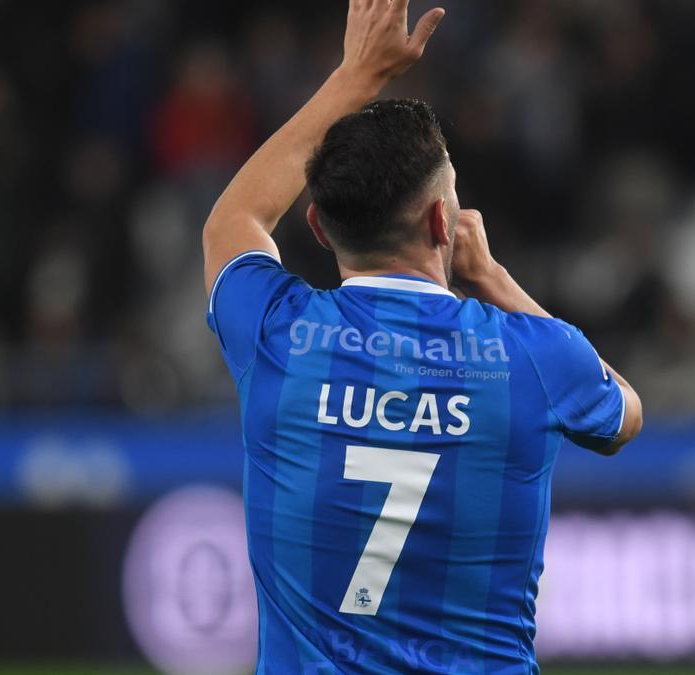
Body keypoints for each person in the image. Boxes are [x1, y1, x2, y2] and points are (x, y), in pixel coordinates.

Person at [201, 1, 643, 671]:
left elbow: (234, 219)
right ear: (445, 222)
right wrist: (492, 278)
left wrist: (357, 75)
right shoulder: (534, 356)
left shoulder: (277, 335)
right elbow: (624, 414)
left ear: (318, 228)